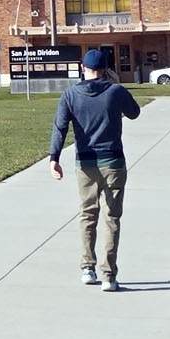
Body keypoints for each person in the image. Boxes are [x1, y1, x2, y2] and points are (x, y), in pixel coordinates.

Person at [48, 46, 141, 290]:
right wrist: (118, 86)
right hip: (113, 162)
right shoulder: (116, 91)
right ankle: (109, 276)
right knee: (112, 217)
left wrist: (54, 157)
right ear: (106, 70)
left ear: (83, 68)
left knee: (88, 214)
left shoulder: (70, 95)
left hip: (85, 164)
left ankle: (87, 268)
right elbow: (134, 113)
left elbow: (60, 127)